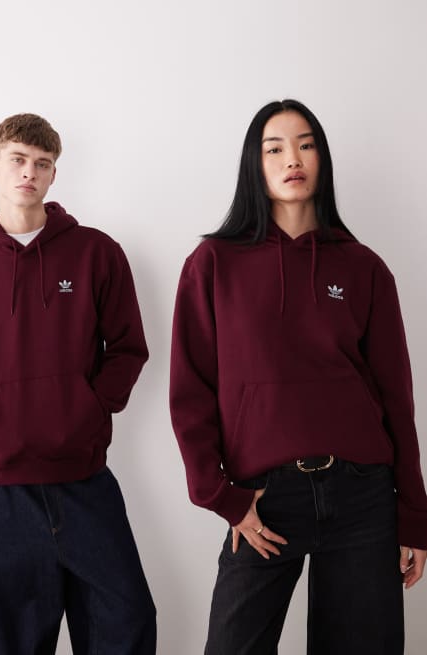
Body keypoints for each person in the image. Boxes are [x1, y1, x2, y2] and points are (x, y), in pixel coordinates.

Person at [169, 99, 427, 654]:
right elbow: (190, 391)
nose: (293, 159)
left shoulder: (363, 267)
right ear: (255, 165)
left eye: (306, 145)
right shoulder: (213, 264)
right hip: (264, 500)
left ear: (322, 159)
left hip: (362, 497)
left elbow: (396, 399)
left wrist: (413, 513)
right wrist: (221, 496)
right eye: (275, 148)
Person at [0, 113, 156, 655]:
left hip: (84, 477)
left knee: (126, 622)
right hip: (3, 489)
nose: (29, 172)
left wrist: (90, 407)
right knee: (21, 642)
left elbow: (127, 348)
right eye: (19, 160)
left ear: (53, 174)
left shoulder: (97, 253)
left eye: (42, 163)